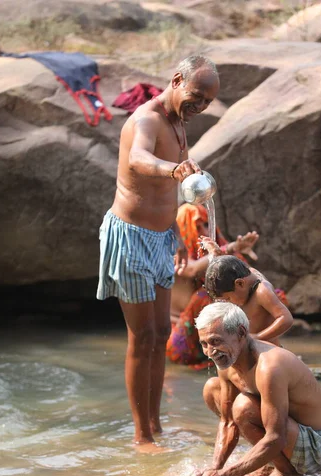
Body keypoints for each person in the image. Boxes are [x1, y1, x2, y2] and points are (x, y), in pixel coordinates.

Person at [96, 55, 220, 448]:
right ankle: (141, 435)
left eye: (206, 104)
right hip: (130, 236)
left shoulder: (178, 123)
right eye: (196, 97)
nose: (198, 108)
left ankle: (156, 423)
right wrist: (172, 168)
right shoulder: (146, 120)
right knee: (142, 335)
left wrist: (188, 173)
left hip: (161, 237)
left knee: (162, 331)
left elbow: (175, 179)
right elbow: (139, 158)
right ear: (177, 79)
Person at [192, 302, 321, 476]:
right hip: (285, 435)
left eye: (216, 341)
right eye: (204, 344)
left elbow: (276, 437)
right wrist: (215, 470)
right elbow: (227, 422)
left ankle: (288, 475)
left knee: (243, 407)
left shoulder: (269, 366)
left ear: (241, 333)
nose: (210, 352)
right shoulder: (226, 360)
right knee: (211, 389)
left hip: (315, 446)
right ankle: (273, 464)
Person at [167, 202, 259, 368]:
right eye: (197, 226)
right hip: (180, 344)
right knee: (206, 295)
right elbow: (193, 269)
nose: (203, 231)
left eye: (207, 225)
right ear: (183, 227)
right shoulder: (174, 253)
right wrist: (232, 247)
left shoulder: (213, 255)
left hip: (211, 337)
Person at [202, 252, 293, 346]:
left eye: (228, 298)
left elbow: (286, 318)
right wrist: (219, 255)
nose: (228, 303)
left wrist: (258, 337)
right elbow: (232, 267)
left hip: (268, 350)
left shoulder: (262, 292)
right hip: (250, 350)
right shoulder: (246, 278)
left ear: (240, 283)